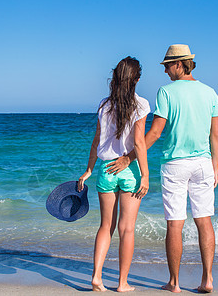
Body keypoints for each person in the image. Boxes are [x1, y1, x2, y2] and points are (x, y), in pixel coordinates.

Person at [106, 44, 218, 293]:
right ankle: (208, 280)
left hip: (175, 164)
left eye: (168, 66)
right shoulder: (210, 92)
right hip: (203, 164)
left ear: (179, 64)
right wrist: (215, 167)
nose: (166, 71)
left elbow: (156, 132)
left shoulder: (166, 92)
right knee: (204, 221)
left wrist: (129, 158)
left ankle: (175, 283)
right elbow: (215, 135)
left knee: (175, 224)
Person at [77, 56, 150, 292]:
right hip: (129, 171)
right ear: (137, 79)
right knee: (127, 228)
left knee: (105, 226)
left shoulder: (104, 105)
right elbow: (139, 142)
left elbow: (96, 140)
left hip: (106, 169)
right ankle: (122, 283)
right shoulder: (141, 104)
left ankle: (97, 276)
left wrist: (89, 169)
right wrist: (146, 176)